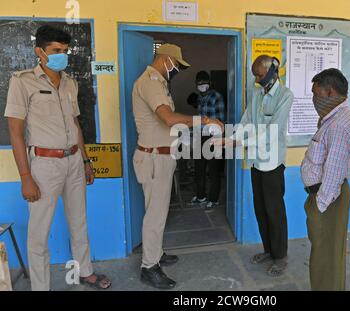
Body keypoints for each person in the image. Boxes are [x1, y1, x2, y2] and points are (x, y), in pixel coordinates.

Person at [4, 25, 111, 291]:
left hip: (74, 160)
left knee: (79, 221)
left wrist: (86, 162)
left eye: (65, 51)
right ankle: (41, 287)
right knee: (39, 233)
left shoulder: (70, 83)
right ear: (39, 51)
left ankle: (85, 271)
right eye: (55, 51)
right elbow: (15, 133)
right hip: (44, 165)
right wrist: (26, 177)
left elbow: (76, 126)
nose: (62, 55)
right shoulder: (22, 80)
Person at [132, 44, 223, 289]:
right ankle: (149, 266)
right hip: (153, 158)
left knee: (159, 211)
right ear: (165, 60)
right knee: (155, 214)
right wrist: (204, 119)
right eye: (178, 65)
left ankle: (157, 253)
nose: (178, 70)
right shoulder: (151, 81)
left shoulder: (158, 83)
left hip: (160, 156)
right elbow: (169, 118)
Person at [215, 55, 293, 276]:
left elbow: (272, 131)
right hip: (256, 162)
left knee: (275, 211)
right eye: (255, 75)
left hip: (273, 164)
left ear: (271, 71)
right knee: (260, 209)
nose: (256, 79)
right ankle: (269, 250)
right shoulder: (257, 93)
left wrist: (237, 141)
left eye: (259, 74)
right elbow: (246, 121)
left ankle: (281, 256)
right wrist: (230, 136)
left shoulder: (285, 96)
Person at [300, 68, 350, 291]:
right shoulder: (332, 119)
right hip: (325, 197)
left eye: (316, 93)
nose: (313, 99)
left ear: (330, 92)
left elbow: (334, 173)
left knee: (326, 260)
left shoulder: (339, 125)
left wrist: (319, 205)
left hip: (328, 200)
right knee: (325, 256)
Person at [190, 71, 226, 209]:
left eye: (204, 82)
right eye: (199, 83)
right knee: (199, 168)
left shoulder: (217, 97)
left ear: (209, 83)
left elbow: (221, 120)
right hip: (200, 135)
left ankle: (214, 198)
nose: (202, 85)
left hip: (213, 136)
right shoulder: (199, 98)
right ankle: (201, 196)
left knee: (213, 170)